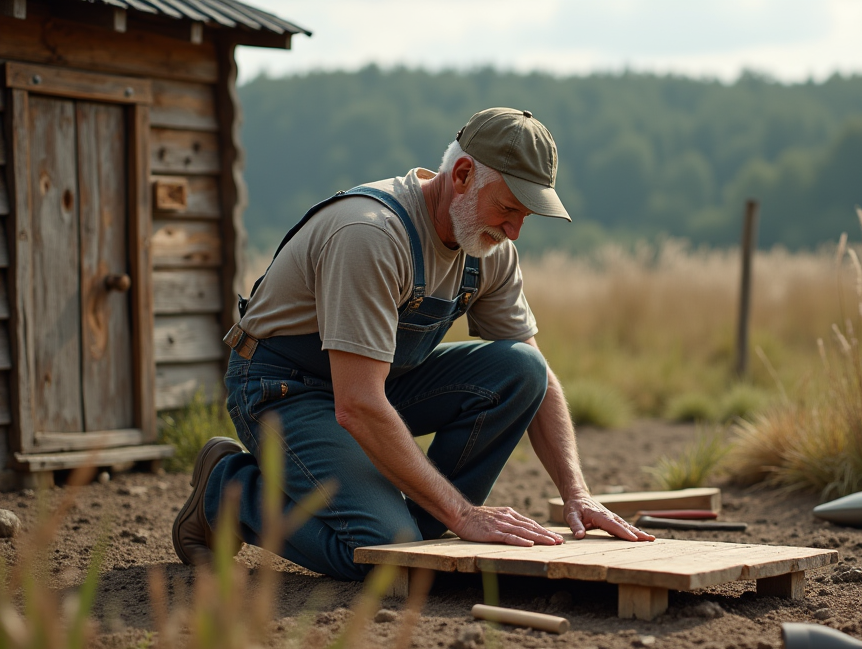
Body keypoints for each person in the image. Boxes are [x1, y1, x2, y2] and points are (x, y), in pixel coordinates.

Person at [172, 107, 653, 580]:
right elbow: (357, 404)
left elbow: (538, 378)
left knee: (521, 369)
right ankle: (227, 491)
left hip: (376, 384)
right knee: (385, 551)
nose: (514, 231)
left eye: (525, 215)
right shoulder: (371, 234)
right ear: (462, 174)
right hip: (283, 389)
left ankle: (422, 514)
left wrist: (578, 494)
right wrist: (464, 515)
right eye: (508, 208)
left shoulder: (487, 247)